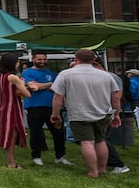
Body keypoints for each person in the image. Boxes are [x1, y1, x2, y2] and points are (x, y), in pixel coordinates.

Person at [51, 49, 122, 178]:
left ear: (76, 59)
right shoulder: (106, 75)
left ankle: (92, 172)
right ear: (93, 60)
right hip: (102, 113)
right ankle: (102, 169)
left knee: (87, 142)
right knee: (101, 141)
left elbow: (58, 96)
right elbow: (116, 96)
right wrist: (116, 114)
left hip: (79, 114)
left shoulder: (66, 74)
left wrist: (55, 114)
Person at [22, 52, 69, 167]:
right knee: (36, 132)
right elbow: (33, 87)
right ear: (33, 59)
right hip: (34, 106)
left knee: (58, 132)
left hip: (52, 107)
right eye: (39, 59)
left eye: (44, 59)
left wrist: (42, 86)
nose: (42, 62)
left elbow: (57, 88)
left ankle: (60, 156)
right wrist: (48, 84)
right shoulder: (27, 72)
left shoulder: (51, 73)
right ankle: (36, 156)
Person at [0, 52, 30, 169]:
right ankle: (11, 163)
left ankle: (10, 161)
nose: (19, 64)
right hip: (13, 108)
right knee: (12, 135)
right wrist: (25, 85)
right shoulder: (13, 77)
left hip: (4, 107)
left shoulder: (1, 75)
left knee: (9, 134)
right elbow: (27, 94)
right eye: (17, 61)